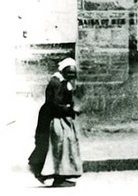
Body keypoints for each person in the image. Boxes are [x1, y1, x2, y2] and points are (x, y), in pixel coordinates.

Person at [28, 57, 83, 187]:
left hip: (56, 115)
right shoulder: (56, 82)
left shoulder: (61, 82)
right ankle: (55, 176)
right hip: (53, 117)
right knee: (57, 145)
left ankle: (56, 175)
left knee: (57, 145)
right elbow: (55, 103)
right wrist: (69, 110)